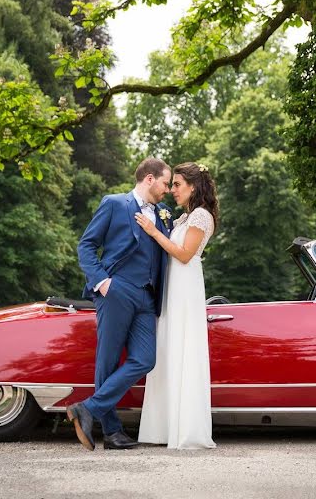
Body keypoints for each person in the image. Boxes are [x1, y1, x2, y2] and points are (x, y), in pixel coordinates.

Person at [67, 158, 173, 451]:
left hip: (147, 296)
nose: (167, 190)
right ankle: (112, 432)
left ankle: (88, 408)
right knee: (108, 360)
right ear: (149, 179)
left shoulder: (163, 213)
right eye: (166, 183)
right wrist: (103, 283)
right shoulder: (114, 203)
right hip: (117, 289)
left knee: (144, 359)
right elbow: (86, 245)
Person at [134, 162, 219, 450]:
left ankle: (187, 430)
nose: (172, 191)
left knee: (184, 349)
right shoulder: (183, 218)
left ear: (193, 187)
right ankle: (164, 427)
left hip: (186, 290)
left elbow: (184, 255)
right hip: (173, 289)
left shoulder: (201, 216)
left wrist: (153, 232)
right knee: (169, 350)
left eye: (178, 185)